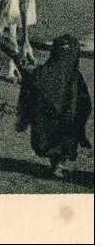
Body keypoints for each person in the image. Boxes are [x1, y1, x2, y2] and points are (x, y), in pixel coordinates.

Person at [16, 34, 92, 178]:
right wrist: (81, 126)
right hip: (64, 126)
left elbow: (30, 88)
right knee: (64, 139)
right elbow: (85, 103)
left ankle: (56, 164)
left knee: (55, 139)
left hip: (48, 129)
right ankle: (58, 164)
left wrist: (24, 119)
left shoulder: (43, 74)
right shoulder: (74, 77)